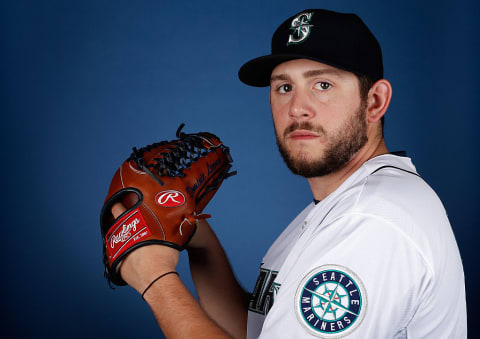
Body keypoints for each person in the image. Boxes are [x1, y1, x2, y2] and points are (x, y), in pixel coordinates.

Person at [112, 9, 467, 338]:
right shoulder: (345, 205)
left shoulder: (371, 221)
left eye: (322, 85)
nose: (298, 108)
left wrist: (155, 280)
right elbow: (257, 331)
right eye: (284, 87)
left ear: (374, 101)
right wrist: (201, 243)